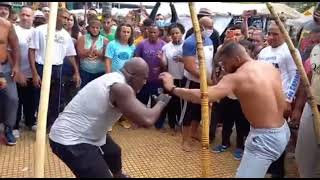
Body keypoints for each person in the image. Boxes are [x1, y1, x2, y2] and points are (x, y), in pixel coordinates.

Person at [160, 41, 290, 178]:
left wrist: (172, 88)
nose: (224, 68)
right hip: (282, 130)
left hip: (265, 138)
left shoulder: (236, 77)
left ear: (237, 59)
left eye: (224, 63)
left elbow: (203, 96)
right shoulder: (268, 67)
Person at [49, 58, 171, 178]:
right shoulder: (120, 88)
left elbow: (137, 110)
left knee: (113, 152)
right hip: (70, 140)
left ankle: (118, 176)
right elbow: (147, 120)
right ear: (133, 75)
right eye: (144, 78)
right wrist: (162, 102)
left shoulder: (114, 78)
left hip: (87, 133)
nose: (145, 82)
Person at [257, 21, 300, 178]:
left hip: (281, 100)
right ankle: (265, 166)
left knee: (278, 134)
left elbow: (296, 75)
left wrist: (288, 99)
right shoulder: (263, 52)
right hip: (264, 99)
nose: (271, 36)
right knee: (264, 132)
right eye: (269, 33)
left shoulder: (290, 51)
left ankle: (277, 171)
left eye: (275, 33)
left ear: (284, 34)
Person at [29, 8, 81, 130]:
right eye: (64, 18)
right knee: (40, 97)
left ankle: (52, 125)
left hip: (58, 68)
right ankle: (41, 123)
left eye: (68, 19)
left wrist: (77, 72)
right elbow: (31, 51)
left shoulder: (65, 35)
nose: (67, 21)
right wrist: (35, 73)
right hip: (41, 67)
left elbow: (70, 55)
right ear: (55, 16)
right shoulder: (40, 30)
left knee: (56, 98)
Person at [180, 16, 214, 152]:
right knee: (188, 112)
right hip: (192, 82)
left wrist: (210, 79)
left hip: (205, 82)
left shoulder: (209, 40)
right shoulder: (190, 42)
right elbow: (189, 66)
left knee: (199, 111)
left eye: (212, 27)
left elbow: (210, 62)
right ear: (200, 27)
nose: (211, 30)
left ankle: (193, 133)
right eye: (209, 27)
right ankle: (184, 140)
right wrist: (206, 79)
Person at [292, 31, 320, 177]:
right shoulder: (316, 49)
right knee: (305, 157)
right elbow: (306, 81)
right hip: (312, 107)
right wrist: (298, 107)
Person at [135, 23, 167, 130]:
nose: (153, 34)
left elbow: (166, 65)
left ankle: (158, 124)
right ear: (147, 32)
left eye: (155, 32)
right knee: (141, 101)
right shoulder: (141, 44)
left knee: (157, 101)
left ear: (159, 33)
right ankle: (139, 122)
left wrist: (161, 62)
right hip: (144, 79)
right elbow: (136, 60)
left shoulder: (164, 45)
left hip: (158, 80)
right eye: (151, 32)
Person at [0, 2, 22, 146]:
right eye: (0, 8)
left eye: (5, 9)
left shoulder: (7, 25)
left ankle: (8, 128)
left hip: (5, 67)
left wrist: (16, 66)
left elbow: (15, 46)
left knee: (12, 99)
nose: (2, 11)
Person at [12, 6, 36, 138]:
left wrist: (35, 73)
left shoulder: (36, 32)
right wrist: (17, 71)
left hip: (32, 73)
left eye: (28, 15)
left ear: (33, 17)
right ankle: (14, 125)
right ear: (19, 16)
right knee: (16, 100)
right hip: (16, 73)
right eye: (23, 15)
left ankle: (30, 121)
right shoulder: (14, 30)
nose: (25, 17)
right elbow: (9, 53)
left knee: (31, 100)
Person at [159, 22, 186, 135]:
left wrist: (182, 59)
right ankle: (171, 125)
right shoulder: (166, 47)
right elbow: (164, 64)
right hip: (171, 79)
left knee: (182, 104)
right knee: (171, 103)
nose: (175, 35)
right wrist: (161, 59)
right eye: (172, 33)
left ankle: (182, 125)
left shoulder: (187, 45)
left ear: (182, 33)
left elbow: (192, 61)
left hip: (184, 78)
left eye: (177, 33)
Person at [76, 17, 107, 88]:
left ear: (100, 29)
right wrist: (89, 51)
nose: (95, 29)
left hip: (100, 72)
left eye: (97, 28)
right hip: (85, 72)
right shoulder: (82, 38)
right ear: (89, 28)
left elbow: (106, 57)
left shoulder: (105, 40)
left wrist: (95, 51)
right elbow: (79, 55)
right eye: (93, 27)